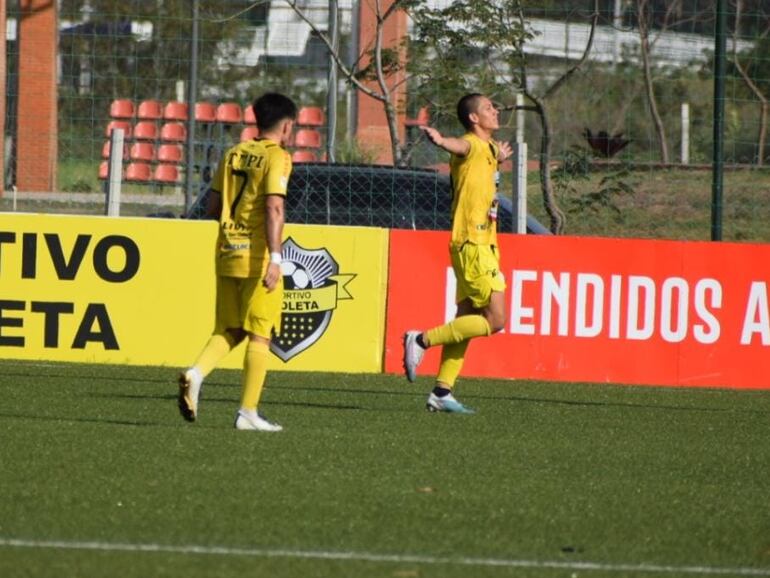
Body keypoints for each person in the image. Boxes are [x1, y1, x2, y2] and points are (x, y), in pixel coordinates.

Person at [177, 92, 297, 432]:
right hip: (258, 258)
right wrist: (275, 258)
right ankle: (248, 412)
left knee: (229, 329)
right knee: (260, 335)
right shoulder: (279, 157)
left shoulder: (233, 153)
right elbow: (275, 207)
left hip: (227, 252)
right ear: (287, 126)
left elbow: (213, 208)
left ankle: (195, 373)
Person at [403, 93, 512, 414]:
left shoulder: (490, 149)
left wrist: (499, 159)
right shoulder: (471, 144)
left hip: (479, 243)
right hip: (473, 244)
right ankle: (420, 339)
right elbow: (460, 146)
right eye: (489, 108)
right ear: (474, 119)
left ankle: (441, 391)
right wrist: (440, 141)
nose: (495, 110)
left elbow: (481, 167)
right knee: (495, 320)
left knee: (465, 320)